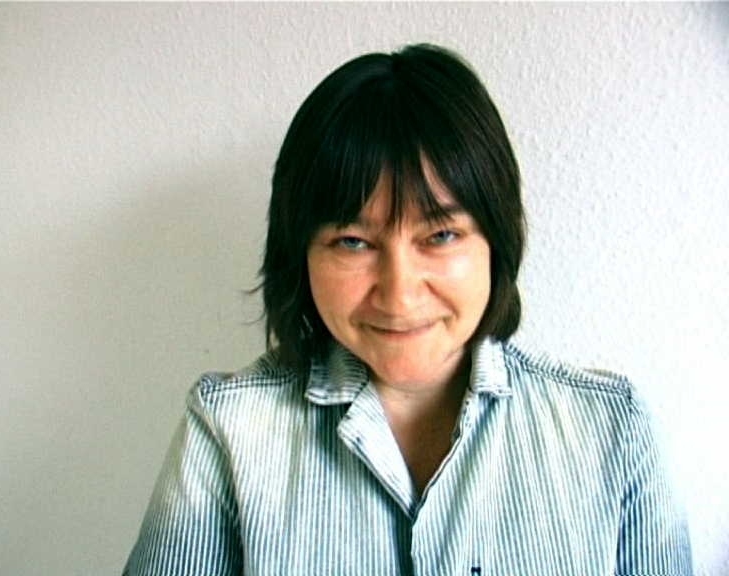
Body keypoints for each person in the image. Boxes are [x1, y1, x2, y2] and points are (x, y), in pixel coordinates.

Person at [123, 43, 692, 575]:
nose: (399, 295)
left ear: (496, 242)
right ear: (300, 254)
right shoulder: (228, 430)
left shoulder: (611, 430)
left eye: (440, 236)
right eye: (353, 242)